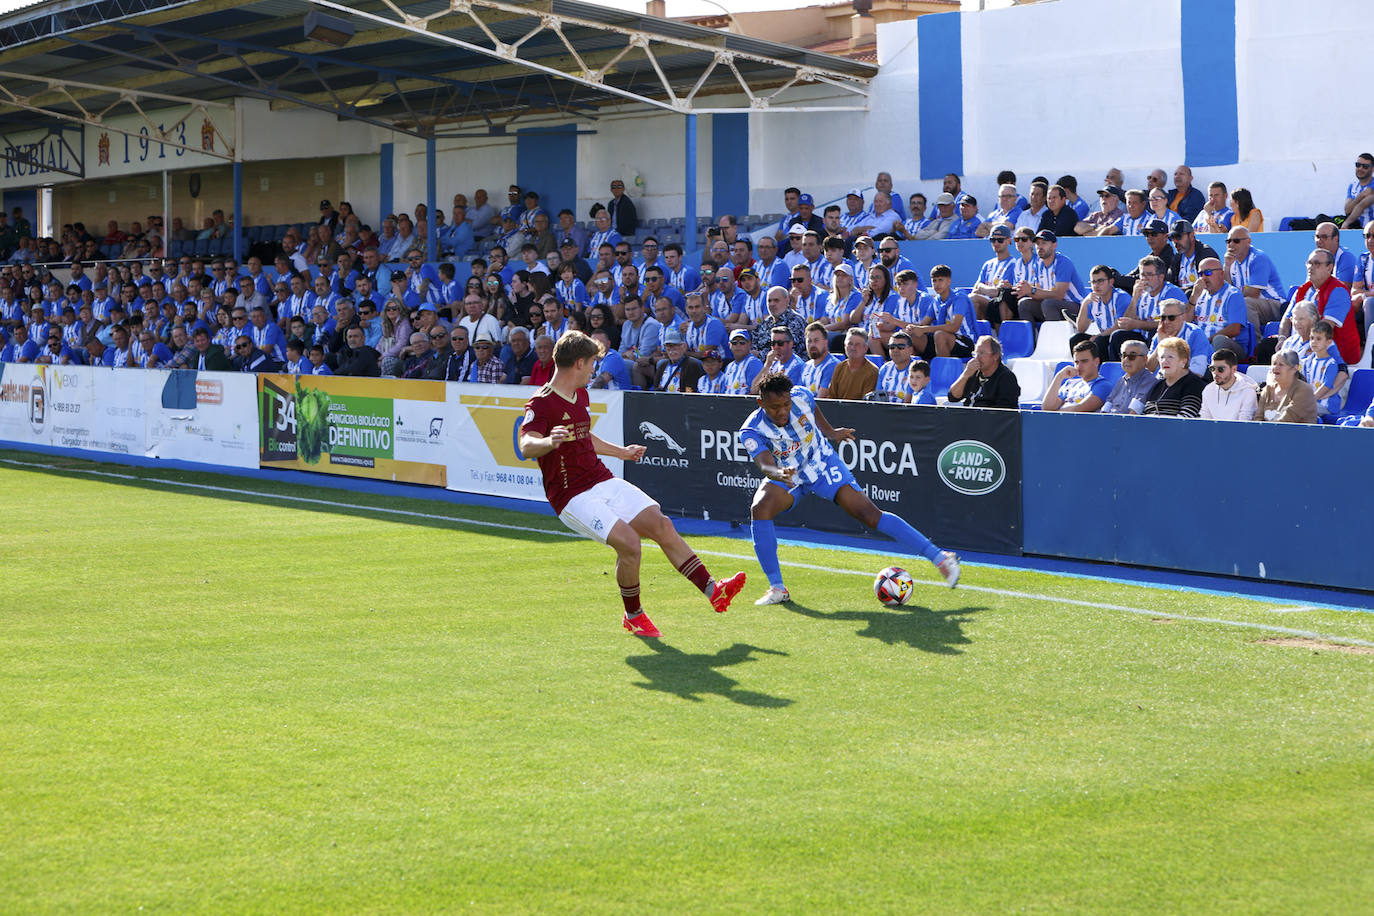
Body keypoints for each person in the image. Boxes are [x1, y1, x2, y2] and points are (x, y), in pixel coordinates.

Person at [519, 331, 745, 637]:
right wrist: (547, 440)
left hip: (601, 480)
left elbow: (584, 435)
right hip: (571, 496)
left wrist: (621, 452)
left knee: (661, 524)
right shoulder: (541, 403)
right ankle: (633, 615)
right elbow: (526, 444)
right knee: (629, 543)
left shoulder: (580, 395)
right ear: (579, 363)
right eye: (591, 365)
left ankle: (712, 590)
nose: (593, 371)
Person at [741, 372, 960, 606]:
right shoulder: (751, 430)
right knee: (760, 508)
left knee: (869, 514)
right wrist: (778, 474)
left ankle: (940, 558)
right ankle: (777, 588)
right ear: (760, 403)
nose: (783, 411)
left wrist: (831, 432)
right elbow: (765, 464)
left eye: (786, 404)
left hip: (822, 463)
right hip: (788, 474)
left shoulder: (801, 396)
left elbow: (813, 411)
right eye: (775, 407)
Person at [948, 334, 1020, 408]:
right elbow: (953, 397)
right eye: (976, 353)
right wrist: (965, 374)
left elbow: (1003, 412)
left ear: (995, 356)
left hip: (987, 418)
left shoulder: (1006, 378)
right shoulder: (973, 372)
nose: (977, 358)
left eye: (982, 353)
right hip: (969, 416)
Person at [1142, 336, 1204, 417]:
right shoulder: (1157, 385)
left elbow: (1186, 418)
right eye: (1162, 357)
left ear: (1183, 361)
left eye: (1170, 357)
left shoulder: (1194, 384)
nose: (1165, 361)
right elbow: (1144, 414)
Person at [1042, 341, 1112, 412]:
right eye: (1076, 362)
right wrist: (1059, 376)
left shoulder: (1103, 386)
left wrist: (1054, 412)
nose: (1079, 366)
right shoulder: (1070, 384)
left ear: (1096, 362)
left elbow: (1078, 410)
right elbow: (1047, 407)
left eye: (1084, 361)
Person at [1258, 350, 1318, 424]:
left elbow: (1287, 420)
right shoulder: (1267, 390)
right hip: (1267, 433)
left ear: (1294, 368)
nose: (1276, 367)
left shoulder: (1304, 390)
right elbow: (1257, 419)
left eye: (1281, 365)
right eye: (1274, 364)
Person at [1200, 349, 1258, 421]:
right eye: (1212, 368)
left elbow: (1244, 425)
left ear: (1234, 369)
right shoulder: (1208, 390)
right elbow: (1204, 421)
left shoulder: (1248, 392)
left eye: (1220, 369)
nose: (1215, 372)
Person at [827, 327, 879, 401]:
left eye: (857, 345)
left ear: (865, 348)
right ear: (845, 346)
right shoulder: (839, 367)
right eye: (850, 344)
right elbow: (831, 396)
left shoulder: (872, 371)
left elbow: (866, 403)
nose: (853, 348)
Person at [652, 327, 703, 392]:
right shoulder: (662, 365)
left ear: (684, 347)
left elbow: (691, 393)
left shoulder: (692, 365)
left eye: (675, 345)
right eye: (668, 346)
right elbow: (655, 391)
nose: (672, 349)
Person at [799, 321, 839, 397]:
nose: (812, 345)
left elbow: (820, 400)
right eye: (809, 341)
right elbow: (798, 394)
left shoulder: (833, 366)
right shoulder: (805, 366)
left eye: (816, 340)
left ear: (825, 342)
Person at [1344, 153, 1374, 229]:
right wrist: (1361, 195)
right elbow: (1347, 210)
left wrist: (1347, 223)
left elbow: (1362, 205)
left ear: (1372, 169)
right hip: (1355, 227)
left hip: (1370, 229)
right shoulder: (1352, 186)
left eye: (1365, 166)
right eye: (1358, 165)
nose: (1360, 168)